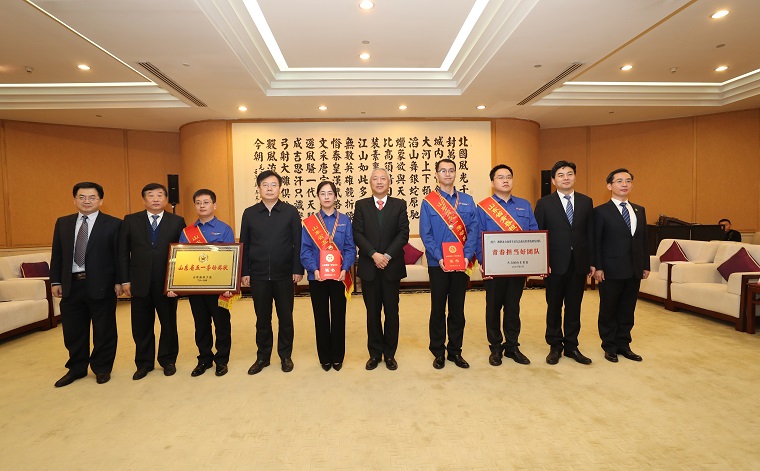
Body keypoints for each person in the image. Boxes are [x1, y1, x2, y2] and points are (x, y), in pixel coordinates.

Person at [50, 182, 122, 387]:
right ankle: (77, 368)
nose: (87, 201)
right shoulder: (63, 223)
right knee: (73, 330)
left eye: (92, 197)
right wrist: (55, 280)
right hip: (71, 284)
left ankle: (102, 367)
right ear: (74, 200)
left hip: (102, 284)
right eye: (82, 197)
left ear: (101, 200)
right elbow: (57, 254)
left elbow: (119, 256)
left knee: (104, 329)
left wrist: (119, 281)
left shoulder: (114, 224)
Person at [119, 183, 186, 380]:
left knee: (168, 324)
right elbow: (122, 252)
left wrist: (177, 283)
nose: (155, 199)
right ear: (143, 199)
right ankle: (144, 363)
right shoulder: (130, 220)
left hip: (166, 283)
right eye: (150, 195)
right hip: (139, 282)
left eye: (159, 195)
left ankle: (168, 360)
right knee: (141, 326)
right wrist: (125, 280)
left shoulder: (177, 221)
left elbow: (183, 253)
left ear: (166, 199)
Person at [240, 170, 303, 375]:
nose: (269, 188)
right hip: (258, 275)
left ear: (280, 188)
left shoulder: (290, 212)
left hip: (284, 274)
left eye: (273, 184)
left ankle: (285, 356)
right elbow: (244, 245)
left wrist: (297, 269)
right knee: (262, 319)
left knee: (286, 318)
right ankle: (263, 357)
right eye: (265, 185)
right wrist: (244, 271)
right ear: (259, 188)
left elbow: (297, 242)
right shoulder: (250, 213)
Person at [168, 189, 235, 377]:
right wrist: (173, 285)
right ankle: (204, 359)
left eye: (206, 202)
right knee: (201, 325)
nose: (202, 206)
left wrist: (230, 287)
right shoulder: (187, 232)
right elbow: (180, 260)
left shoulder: (225, 229)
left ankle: (222, 360)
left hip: (219, 289)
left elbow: (232, 259)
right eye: (198, 203)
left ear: (215, 205)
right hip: (196, 287)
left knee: (222, 324)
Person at [476, 164, 538, 366]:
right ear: (492, 182)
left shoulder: (524, 205)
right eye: (500, 177)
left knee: (513, 308)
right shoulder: (483, 207)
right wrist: (482, 261)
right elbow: (477, 236)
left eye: (509, 177)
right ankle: (495, 347)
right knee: (493, 308)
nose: (505, 180)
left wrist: (535, 262)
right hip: (493, 268)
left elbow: (534, 233)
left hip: (517, 267)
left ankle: (512, 346)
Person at [534, 161, 594, 365]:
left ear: (575, 177)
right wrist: (542, 263)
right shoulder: (544, 203)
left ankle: (571, 346)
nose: (565, 178)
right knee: (554, 306)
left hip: (579, 263)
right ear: (553, 180)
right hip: (554, 264)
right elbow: (539, 235)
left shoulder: (586, 202)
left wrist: (592, 261)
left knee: (574, 306)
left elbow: (590, 234)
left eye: (569, 174)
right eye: (561, 175)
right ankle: (554, 346)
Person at [420, 159, 478, 370]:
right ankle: (438, 351)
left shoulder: (468, 201)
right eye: (443, 170)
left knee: (457, 309)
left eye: (451, 170)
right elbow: (426, 234)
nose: (447, 174)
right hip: (438, 264)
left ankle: (455, 351)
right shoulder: (428, 202)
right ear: (436, 174)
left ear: (455, 173)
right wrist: (439, 257)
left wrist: (467, 255)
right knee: (437, 308)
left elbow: (474, 230)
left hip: (461, 263)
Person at [353, 167, 410, 371]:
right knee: (373, 312)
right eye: (375, 179)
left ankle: (390, 354)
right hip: (369, 267)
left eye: (383, 179)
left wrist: (386, 256)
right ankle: (375, 353)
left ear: (389, 183)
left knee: (392, 312)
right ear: (370, 183)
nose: (379, 182)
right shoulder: (361, 205)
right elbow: (357, 233)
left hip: (391, 267)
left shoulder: (399, 204)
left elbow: (403, 233)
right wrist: (373, 254)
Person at [593, 168, 650, 363]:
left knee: (628, 309)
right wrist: (598, 266)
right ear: (609, 186)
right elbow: (597, 241)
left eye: (628, 181)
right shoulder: (600, 211)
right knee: (608, 309)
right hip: (610, 269)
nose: (624, 184)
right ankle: (609, 346)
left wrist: (645, 264)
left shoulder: (639, 210)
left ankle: (624, 344)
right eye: (619, 181)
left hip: (634, 269)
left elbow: (643, 240)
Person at [300, 181, 356, 372]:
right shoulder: (310, 223)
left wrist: (345, 268)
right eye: (322, 193)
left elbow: (350, 247)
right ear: (318, 197)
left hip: (339, 276)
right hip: (317, 277)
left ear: (335, 196)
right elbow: (305, 250)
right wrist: (314, 269)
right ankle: (324, 357)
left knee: (339, 316)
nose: (326, 197)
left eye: (330, 193)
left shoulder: (345, 220)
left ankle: (338, 356)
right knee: (321, 317)